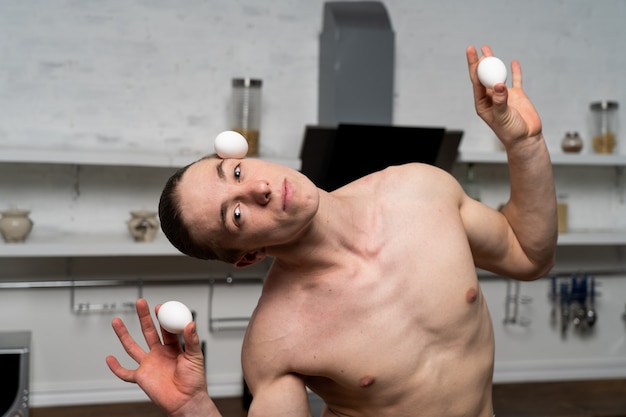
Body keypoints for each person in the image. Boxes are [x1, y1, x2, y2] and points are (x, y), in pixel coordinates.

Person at [106, 45, 557, 417]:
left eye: (238, 174)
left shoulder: (421, 189)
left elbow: (528, 255)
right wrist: (194, 409)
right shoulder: (278, 340)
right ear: (248, 255)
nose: (261, 189)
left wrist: (525, 144)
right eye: (236, 216)